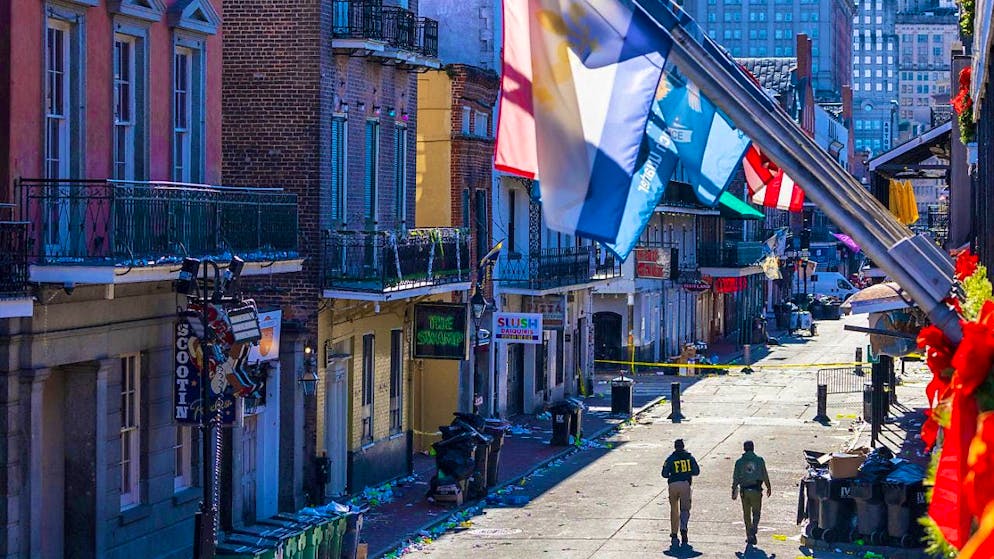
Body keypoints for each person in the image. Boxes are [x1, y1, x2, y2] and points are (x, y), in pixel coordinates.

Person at [731, 440, 772, 545]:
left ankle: (749, 535)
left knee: (746, 514)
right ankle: (754, 527)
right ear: (753, 448)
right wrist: (768, 487)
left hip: (744, 491)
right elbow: (764, 474)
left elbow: (736, 478)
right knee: (756, 512)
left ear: (744, 449)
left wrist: (734, 490)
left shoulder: (739, 462)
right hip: (756, 490)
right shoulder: (759, 460)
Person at [661, 439, 700, 546]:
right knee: (685, 509)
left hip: (673, 485)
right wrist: (687, 473)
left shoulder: (670, 458)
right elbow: (697, 471)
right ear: (683, 446)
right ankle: (683, 528)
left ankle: (674, 533)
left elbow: (664, 473)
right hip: (685, 484)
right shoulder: (689, 457)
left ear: (675, 447)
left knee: (674, 509)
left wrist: (672, 475)